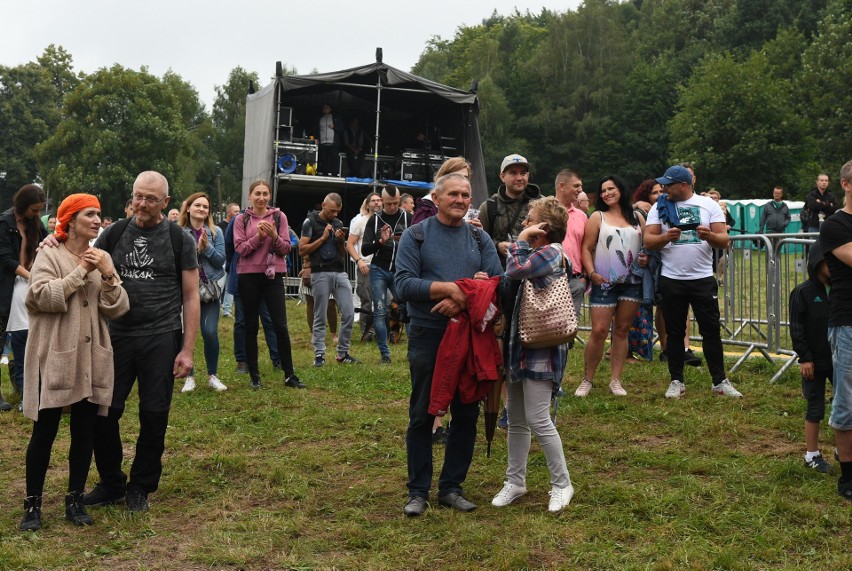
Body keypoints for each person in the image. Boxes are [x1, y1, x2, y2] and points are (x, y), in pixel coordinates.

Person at [80, 171, 199, 513]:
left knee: (154, 415)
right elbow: (81, 261)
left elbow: (191, 297)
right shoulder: (114, 233)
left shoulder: (180, 240)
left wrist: (187, 350)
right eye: (138, 196)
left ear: (165, 202)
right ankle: (111, 483)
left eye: (150, 198)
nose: (142, 204)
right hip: (115, 335)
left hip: (160, 337)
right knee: (104, 412)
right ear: (131, 197)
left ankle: (140, 488)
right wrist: (52, 242)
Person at [19, 194, 130, 531]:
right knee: (45, 432)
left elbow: (118, 307)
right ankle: (32, 505)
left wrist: (109, 274)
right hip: (54, 355)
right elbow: (39, 297)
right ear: (69, 220)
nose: (97, 220)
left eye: (99, 213)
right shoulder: (50, 253)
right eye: (89, 214)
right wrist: (81, 270)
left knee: (85, 432)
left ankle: (74, 500)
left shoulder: (102, 257)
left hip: (90, 357)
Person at [396, 172, 502, 516]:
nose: (460, 200)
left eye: (465, 194)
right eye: (453, 194)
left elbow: (497, 283)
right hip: (428, 335)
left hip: (471, 336)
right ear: (437, 199)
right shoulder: (416, 236)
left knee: (466, 412)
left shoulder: (479, 237)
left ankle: (451, 487)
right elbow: (404, 285)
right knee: (423, 413)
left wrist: (461, 298)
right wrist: (455, 288)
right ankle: (417, 491)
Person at [491, 196, 574, 512]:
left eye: (530, 219)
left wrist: (520, 242)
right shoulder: (537, 251)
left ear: (545, 228)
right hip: (519, 344)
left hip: (541, 346)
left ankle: (562, 484)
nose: (524, 223)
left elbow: (515, 270)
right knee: (516, 418)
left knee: (539, 418)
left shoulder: (551, 253)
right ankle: (515, 481)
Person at [644, 165, 741, 398]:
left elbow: (724, 240)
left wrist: (709, 236)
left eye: (669, 184)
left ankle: (720, 381)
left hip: (702, 279)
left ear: (684, 185)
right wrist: (666, 237)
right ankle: (676, 381)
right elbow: (648, 241)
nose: (664, 188)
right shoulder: (660, 206)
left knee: (711, 331)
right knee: (674, 333)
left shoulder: (709, 206)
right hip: (672, 279)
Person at [477, 154, 543, 429]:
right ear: (502, 176)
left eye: (523, 172)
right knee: (500, 344)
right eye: (513, 172)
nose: (519, 177)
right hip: (500, 282)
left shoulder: (539, 205)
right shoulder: (489, 206)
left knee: (531, 343)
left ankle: (533, 404)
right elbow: (479, 240)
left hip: (533, 283)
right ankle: (503, 405)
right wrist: (498, 246)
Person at [574, 176, 645, 397]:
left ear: (621, 189)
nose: (606, 193)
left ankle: (616, 380)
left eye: (611, 188)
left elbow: (647, 247)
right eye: (603, 190)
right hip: (603, 282)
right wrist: (592, 273)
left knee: (622, 331)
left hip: (632, 283)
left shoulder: (636, 217)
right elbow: (586, 248)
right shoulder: (597, 216)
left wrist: (646, 259)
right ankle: (587, 380)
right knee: (598, 331)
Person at [234, 180, 303, 390]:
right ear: (250, 196)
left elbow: (285, 248)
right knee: (251, 326)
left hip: (273, 276)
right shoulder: (241, 219)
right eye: (257, 193)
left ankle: (289, 374)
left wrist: (273, 236)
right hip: (248, 275)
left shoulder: (279, 217)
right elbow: (240, 249)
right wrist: (259, 237)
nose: (261, 197)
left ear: (269, 196)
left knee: (280, 326)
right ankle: (254, 376)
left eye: (265, 194)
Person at [817, 159, 852, 501]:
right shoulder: (836, 225)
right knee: (848, 401)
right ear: (846, 184)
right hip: (847, 322)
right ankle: (848, 476)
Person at [0, 184, 47, 412]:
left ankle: (27, 388)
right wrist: (30, 275)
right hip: (8, 287)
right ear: (22, 205)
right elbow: (5, 259)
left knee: (27, 337)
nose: (37, 215)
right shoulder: (4, 223)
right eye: (34, 210)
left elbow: (47, 245)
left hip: (29, 286)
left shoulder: (35, 225)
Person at [789, 240, 833, 473]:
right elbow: (797, 329)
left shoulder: (843, 291)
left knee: (845, 405)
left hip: (841, 360)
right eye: (829, 262)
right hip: (813, 363)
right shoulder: (802, 292)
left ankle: (843, 449)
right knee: (815, 407)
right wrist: (805, 358)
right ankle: (812, 454)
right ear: (817, 263)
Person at [299, 193, 358, 367]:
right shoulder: (309, 222)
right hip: (320, 272)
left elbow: (342, 253)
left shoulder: (338, 224)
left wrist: (340, 241)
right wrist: (323, 238)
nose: (335, 215)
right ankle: (319, 355)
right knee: (320, 315)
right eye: (332, 211)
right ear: (323, 205)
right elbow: (302, 250)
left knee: (348, 312)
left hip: (339, 271)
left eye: (338, 211)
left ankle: (343, 353)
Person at [178, 192, 227, 393]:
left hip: (209, 292)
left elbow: (220, 261)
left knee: (210, 333)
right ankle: (189, 377)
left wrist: (206, 248)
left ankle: (212, 375)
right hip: (185, 292)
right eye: (197, 205)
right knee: (185, 334)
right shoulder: (178, 232)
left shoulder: (216, 233)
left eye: (205, 207)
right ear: (188, 208)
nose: (201, 209)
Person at [361, 185, 411, 364]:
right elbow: (364, 249)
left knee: (408, 309)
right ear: (382, 202)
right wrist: (380, 242)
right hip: (379, 270)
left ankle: (412, 353)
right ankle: (385, 355)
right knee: (380, 311)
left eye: (395, 203)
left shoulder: (408, 217)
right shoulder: (375, 219)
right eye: (388, 204)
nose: (392, 207)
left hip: (401, 271)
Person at [346, 192, 382, 342]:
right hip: (365, 266)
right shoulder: (360, 221)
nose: (376, 203)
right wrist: (359, 260)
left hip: (383, 266)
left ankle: (382, 332)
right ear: (367, 204)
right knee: (366, 301)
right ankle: (366, 333)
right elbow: (349, 244)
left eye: (379, 200)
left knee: (382, 301)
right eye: (373, 201)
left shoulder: (385, 221)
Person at [554, 169, 587, 318]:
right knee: (547, 329)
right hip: (549, 279)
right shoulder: (543, 211)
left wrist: (584, 278)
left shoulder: (582, 216)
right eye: (576, 186)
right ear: (562, 186)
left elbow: (587, 247)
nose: (580, 190)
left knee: (569, 329)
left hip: (575, 280)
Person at [219, 203, 241, 318]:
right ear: (228, 212)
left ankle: (226, 310)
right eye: (235, 211)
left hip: (233, 259)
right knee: (220, 285)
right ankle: (215, 307)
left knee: (230, 286)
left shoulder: (240, 223)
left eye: (239, 211)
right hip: (222, 259)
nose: (238, 213)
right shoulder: (220, 226)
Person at [318, 103, 341, 176]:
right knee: (324, 160)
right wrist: (316, 138)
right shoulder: (320, 118)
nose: (325, 109)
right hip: (322, 143)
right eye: (324, 107)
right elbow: (316, 129)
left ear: (330, 109)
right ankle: (324, 175)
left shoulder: (335, 118)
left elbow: (342, 129)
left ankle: (334, 175)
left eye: (327, 107)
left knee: (334, 160)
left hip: (333, 143)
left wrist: (334, 127)